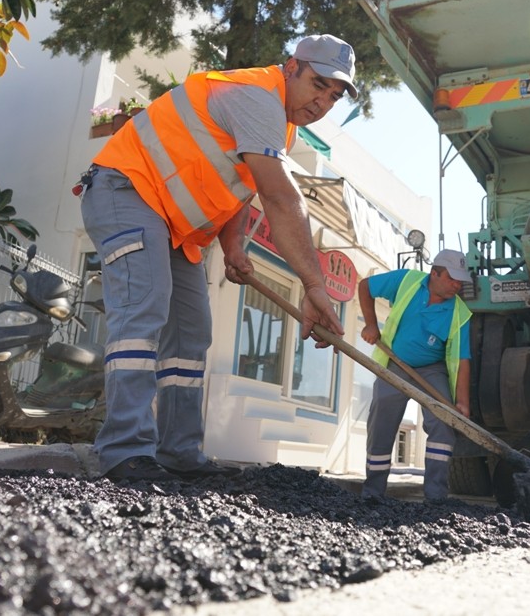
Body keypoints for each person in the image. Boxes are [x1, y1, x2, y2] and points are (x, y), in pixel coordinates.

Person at [78, 35, 357, 482]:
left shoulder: (279, 124)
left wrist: (233, 247)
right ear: (291, 67)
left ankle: (179, 453)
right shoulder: (255, 95)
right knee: (145, 308)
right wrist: (314, 285)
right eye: (318, 84)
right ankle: (124, 451)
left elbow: (239, 188)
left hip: (173, 225)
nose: (322, 101)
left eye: (333, 96)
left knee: (191, 333)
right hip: (126, 189)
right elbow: (281, 199)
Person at [358, 250, 473, 503]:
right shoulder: (407, 281)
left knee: (444, 422)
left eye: (460, 281)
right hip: (395, 364)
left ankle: (435, 498)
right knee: (381, 424)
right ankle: (373, 493)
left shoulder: (460, 313)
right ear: (435, 273)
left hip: (432, 370)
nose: (457, 285)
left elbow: (464, 359)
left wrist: (462, 402)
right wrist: (370, 324)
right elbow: (365, 286)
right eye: (452, 278)